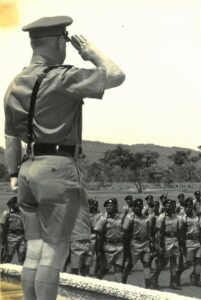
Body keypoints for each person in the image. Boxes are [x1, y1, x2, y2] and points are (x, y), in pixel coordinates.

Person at [4, 16, 125, 300]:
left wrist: (12, 174)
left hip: (26, 170)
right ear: (61, 41)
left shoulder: (15, 82)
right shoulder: (63, 77)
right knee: (54, 252)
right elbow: (116, 75)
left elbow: (10, 137)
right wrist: (92, 53)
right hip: (57, 170)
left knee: (34, 249)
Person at [152, 199, 181, 290]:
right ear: (164, 207)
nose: (168, 207)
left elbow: (179, 231)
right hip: (165, 241)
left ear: (173, 206)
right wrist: (159, 246)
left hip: (175, 240)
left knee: (173, 262)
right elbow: (158, 233)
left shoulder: (177, 217)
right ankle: (154, 277)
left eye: (170, 205)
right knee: (164, 263)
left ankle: (172, 283)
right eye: (166, 205)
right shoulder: (161, 217)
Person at [122, 198, 151, 288]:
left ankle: (148, 286)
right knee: (131, 264)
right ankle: (122, 283)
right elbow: (125, 233)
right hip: (134, 244)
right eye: (136, 206)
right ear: (133, 207)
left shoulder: (146, 218)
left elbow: (149, 232)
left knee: (146, 264)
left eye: (140, 206)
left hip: (145, 243)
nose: (138, 208)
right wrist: (126, 248)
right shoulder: (130, 217)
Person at [177, 197, 201, 287]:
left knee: (198, 261)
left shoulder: (197, 217)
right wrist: (182, 246)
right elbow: (180, 233)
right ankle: (177, 275)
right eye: (187, 207)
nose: (189, 208)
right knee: (188, 264)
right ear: (184, 208)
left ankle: (197, 280)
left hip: (197, 241)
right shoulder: (183, 219)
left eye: (190, 206)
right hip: (188, 242)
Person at [94, 198, 124, 282]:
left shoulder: (120, 217)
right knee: (105, 269)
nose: (110, 207)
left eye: (111, 205)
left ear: (115, 206)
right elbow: (99, 236)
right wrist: (99, 251)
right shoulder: (103, 219)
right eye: (108, 206)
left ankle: (119, 290)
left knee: (118, 268)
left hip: (119, 246)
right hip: (108, 247)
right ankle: (95, 283)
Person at [0, 196, 26, 264]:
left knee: (22, 255)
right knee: (8, 256)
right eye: (16, 203)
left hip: (22, 237)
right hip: (10, 236)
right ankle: (3, 271)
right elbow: (2, 227)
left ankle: (22, 272)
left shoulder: (23, 213)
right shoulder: (6, 213)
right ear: (12, 204)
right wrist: (3, 240)